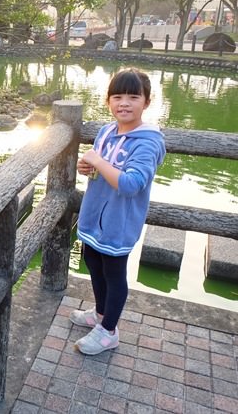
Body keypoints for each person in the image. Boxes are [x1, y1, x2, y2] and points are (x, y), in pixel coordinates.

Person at [70, 68, 166, 355]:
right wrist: (86, 167)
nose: (124, 103)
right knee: (92, 261)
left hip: (119, 221)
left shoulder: (148, 141)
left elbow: (131, 183)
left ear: (146, 102)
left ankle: (109, 331)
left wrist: (97, 162)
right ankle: (100, 315)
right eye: (117, 96)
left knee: (114, 272)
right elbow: (100, 167)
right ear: (108, 100)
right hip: (95, 215)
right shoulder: (106, 131)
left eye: (133, 97)